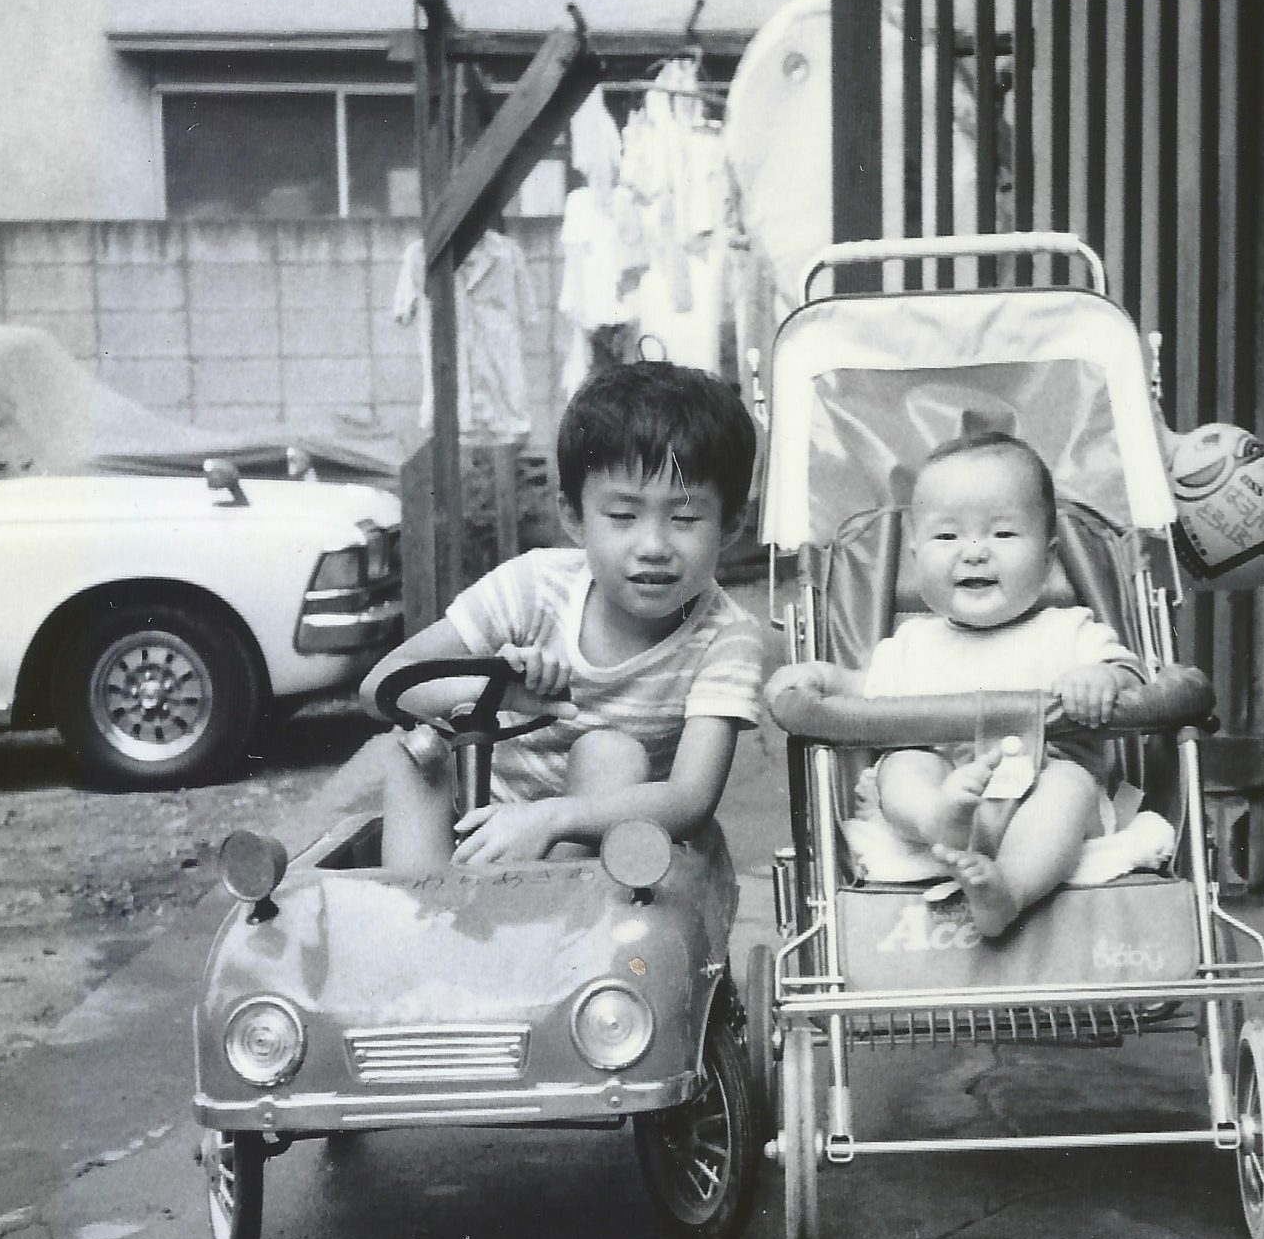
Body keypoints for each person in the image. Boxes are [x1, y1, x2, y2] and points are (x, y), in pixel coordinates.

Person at [358, 361, 765, 870]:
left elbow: (690, 798)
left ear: (730, 526)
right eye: (623, 516)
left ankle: (549, 907)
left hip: (602, 859)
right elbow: (379, 687)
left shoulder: (725, 638)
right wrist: (497, 690)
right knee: (414, 750)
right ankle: (420, 910)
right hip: (474, 834)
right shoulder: (534, 588)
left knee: (610, 752)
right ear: (574, 518)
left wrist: (551, 819)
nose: (654, 546)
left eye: (684, 518)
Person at [767, 430, 1139, 938]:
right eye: (947, 537)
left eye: (1003, 534)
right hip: (944, 803)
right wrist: (821, 677)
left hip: (1040, 805)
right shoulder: (912, 644)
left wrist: (1102, 677)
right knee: (902, 765)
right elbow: (865, 691)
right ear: (915, 555)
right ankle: (933, 819)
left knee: (1069, 785)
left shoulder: (1069, 631)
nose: (974, 552)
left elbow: (1131, 679)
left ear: (1049, 557)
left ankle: (1009, 889)